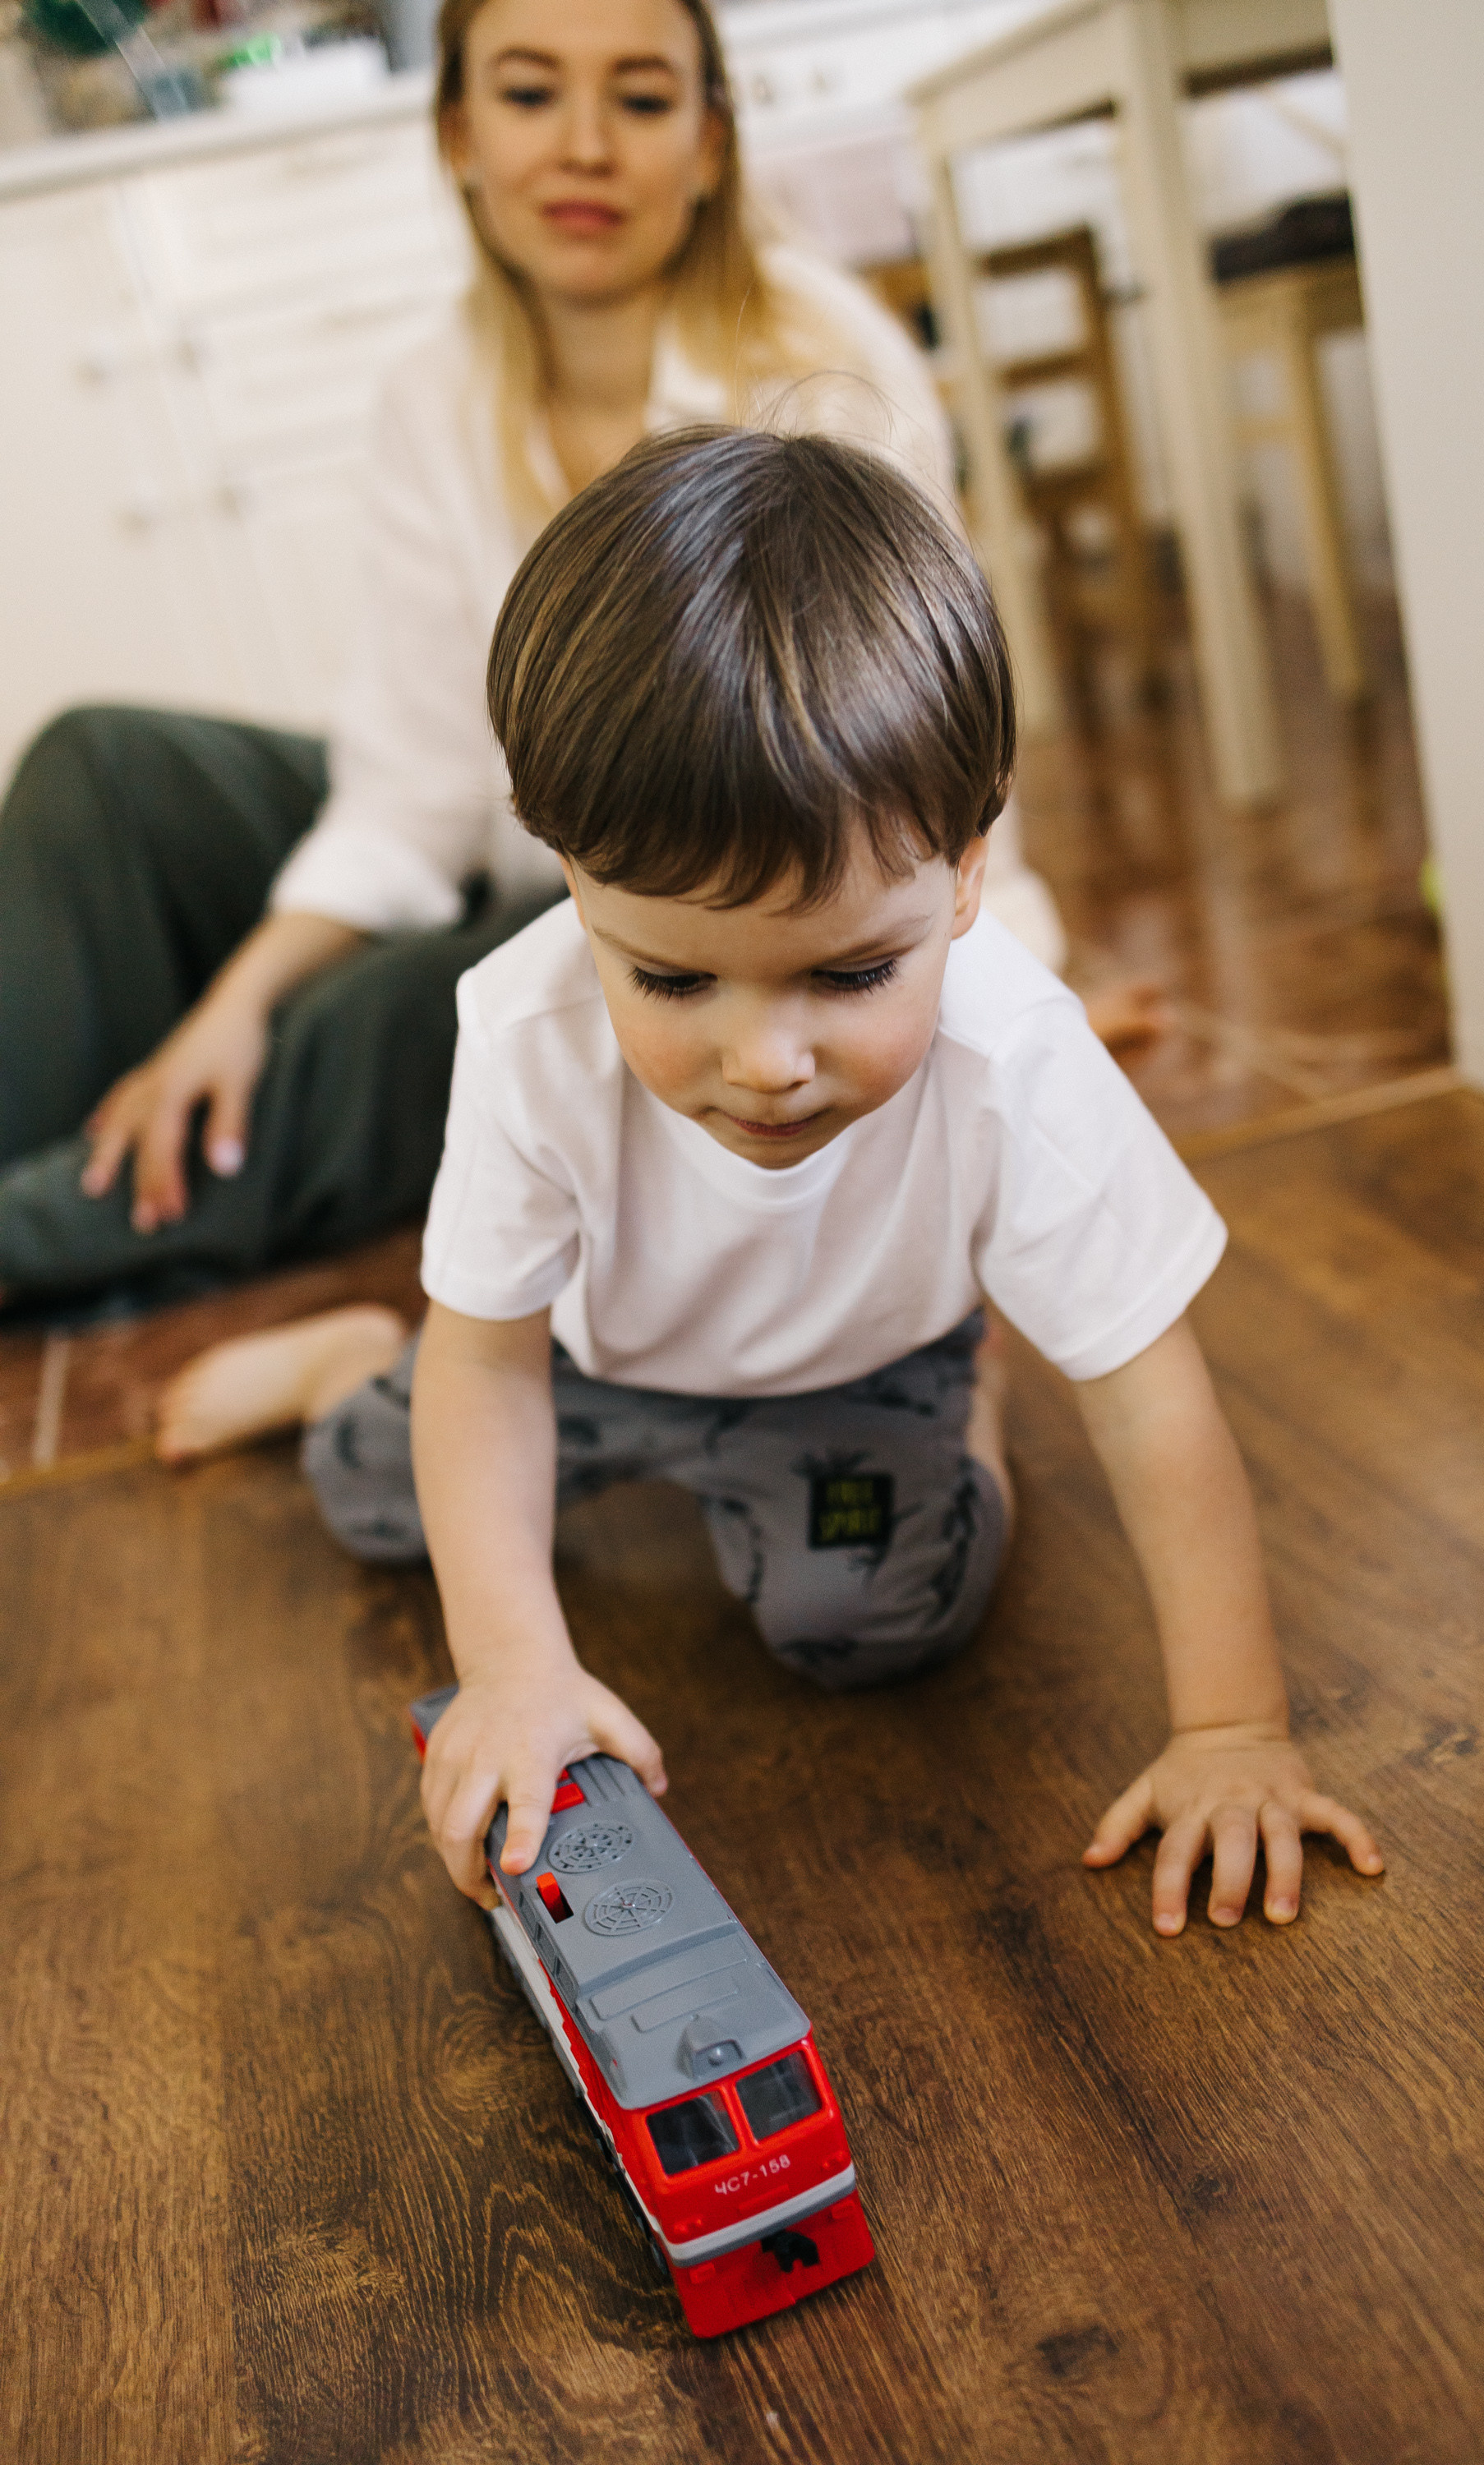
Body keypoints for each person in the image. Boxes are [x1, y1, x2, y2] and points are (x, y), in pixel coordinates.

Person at [191, 426, 1381, 1937]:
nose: (765, 1061)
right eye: (675, 978)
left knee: (873, 1622)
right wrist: (518, 1669)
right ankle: (351, 1361)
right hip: (588, 1363)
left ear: (962, 869)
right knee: (373, 1486)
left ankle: (974, 1395)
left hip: (860, 1369)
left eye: (850, 973)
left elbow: (1155, 1400)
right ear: (573, 882)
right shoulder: (523, 1024)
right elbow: (488, 1375)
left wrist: (1232, 1731)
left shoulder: (1015, 1055)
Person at [0, 0, 1159, 1320]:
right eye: (533, 94)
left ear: (712, 142)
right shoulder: (429, 396)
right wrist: (240, 993)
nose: (586, 147)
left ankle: (41, 1229)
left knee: (464, 996)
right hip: (500, 841)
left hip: (666, 897)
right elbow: (413, 788)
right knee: (98, 765)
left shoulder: (825, 360)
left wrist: (1004, 1014)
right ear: (460, 135)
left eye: (645, 99)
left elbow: (927, 752)